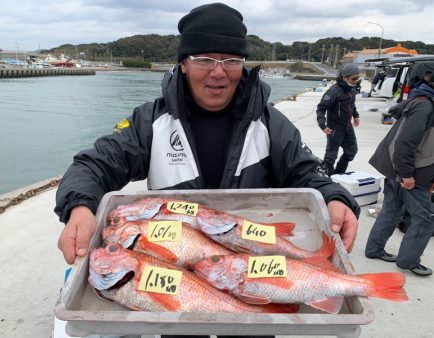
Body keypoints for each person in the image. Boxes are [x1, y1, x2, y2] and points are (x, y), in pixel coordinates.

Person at [55, 1, 360, 319]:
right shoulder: (150, 122)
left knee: (255, 325)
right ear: (183, 63)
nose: (218, 72)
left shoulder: (270, 123)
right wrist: (80, 206)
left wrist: (334, 196)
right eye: (204, 59)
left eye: (231, 60)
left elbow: (307, 172)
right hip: (174, 286)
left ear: (243, 64)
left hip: (249, 277)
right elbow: (94, 164)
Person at [365, 73, 434, 276]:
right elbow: (403, 143)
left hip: (400, 168)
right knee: (425, 218)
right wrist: (406, 175)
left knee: (392, 208)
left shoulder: (420, 101)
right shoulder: (425, 106)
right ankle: (408, 261)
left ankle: (374, 249)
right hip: (409, 172)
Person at [316, 63, 361, 176]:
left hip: (347, 127)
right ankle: (328, 177)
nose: (356, 81)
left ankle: (339, 173)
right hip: (335, 128)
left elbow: (352, 104)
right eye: (353, 78)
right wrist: (323, 125)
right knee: (331, 156)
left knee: (352, 151)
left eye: (358, 78)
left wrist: (356, 115)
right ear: (345, 77)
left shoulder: (352, 88)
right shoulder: (334, 91)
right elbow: (321, 108)